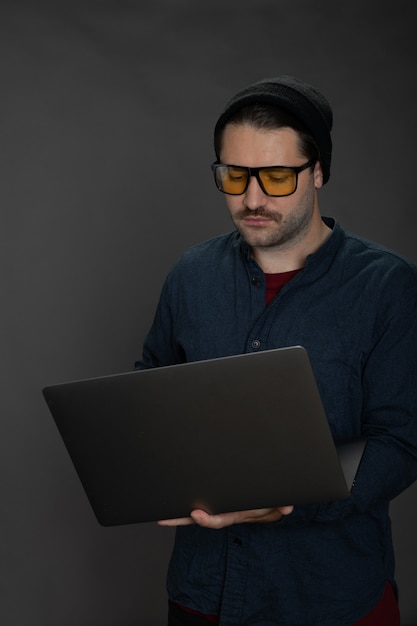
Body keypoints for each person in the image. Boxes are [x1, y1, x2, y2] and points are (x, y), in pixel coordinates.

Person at [135, 76, 417, 625]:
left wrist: (289, 501)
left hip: (331, 597)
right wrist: (151, 473)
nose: (253, 198)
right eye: (235, 175)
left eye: (278, 177)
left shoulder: (390, 286)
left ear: (318, 173)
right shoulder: (190, 275)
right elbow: (150, 386)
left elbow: (403, 442)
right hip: (203, 594)